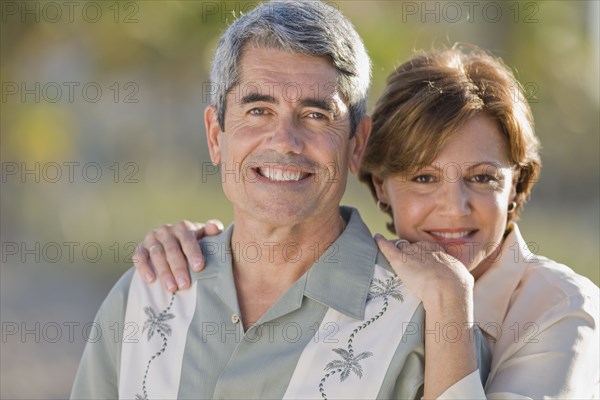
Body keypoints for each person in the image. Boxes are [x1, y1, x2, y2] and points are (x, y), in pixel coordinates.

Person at [71, 2, 488, 399]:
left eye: (315, 115)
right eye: (258, 110)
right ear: (216, 136)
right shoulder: (144, 296)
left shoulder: (431, 321)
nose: (286, 142)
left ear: (357, 144)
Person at [135, 44, 600, 398]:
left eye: (482, 178)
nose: (454, 206)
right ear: (379, 186)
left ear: (517, 185)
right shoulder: (365, 288)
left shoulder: (562, 308)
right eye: (423, 177)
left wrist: (449, 301)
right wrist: (212, 249)